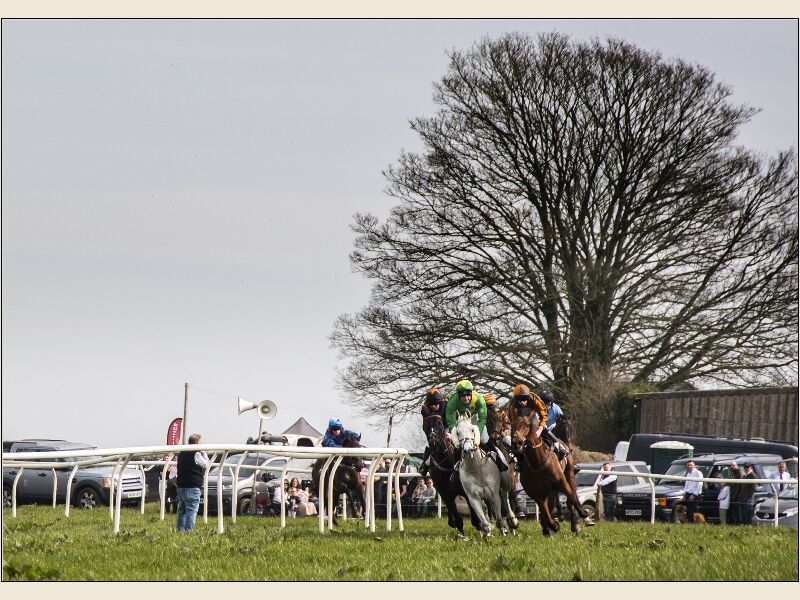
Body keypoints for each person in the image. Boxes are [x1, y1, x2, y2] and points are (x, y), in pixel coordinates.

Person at [445, 379, 508, 472]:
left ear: (471, 393)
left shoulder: (479, 399)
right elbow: (450, 420)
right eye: (462, 395)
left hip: (475, 421)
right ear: (458, 395)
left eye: (468, 395)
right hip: (461, 424)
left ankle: (499, 462)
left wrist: (476, 430)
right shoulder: (452, 401)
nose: (466, 398)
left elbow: (482, 418)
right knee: (457, 444)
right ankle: (455, 469)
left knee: (485, 439)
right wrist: (455, 432)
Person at [508, 384, 569, 462]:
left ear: (528, 397)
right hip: (521, 419)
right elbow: (513, 422)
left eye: (524, 399)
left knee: (537, 423)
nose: (522, 402)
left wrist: (540, 429)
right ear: (515, 399)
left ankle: (559, 446)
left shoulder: (535, 399)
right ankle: (517, 457)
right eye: (519, 400)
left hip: (535, 416)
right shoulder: (512, 405)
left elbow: (544, 416)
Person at [175, 433, 209, 533]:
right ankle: (189, 533)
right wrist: (204, 454)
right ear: (197, 443)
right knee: (191, 511)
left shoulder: (182, 453)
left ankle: (180, 532)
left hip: (181, 486)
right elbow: (206, 464)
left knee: (182, 511)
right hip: (192, 486)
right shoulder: (196, 454)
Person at [419, 387, 447, 477]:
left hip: (446, 425)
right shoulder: (425, 408)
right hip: (431, 427)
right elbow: (426, 426)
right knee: (431, 441)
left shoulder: (445, 405)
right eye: (431, 404)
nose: (433, 406)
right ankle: (425, 464)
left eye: (435, 404)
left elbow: (448, 420)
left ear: (440, 402)